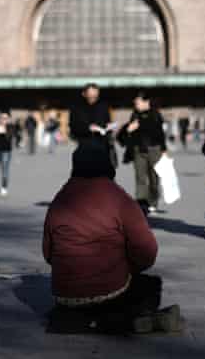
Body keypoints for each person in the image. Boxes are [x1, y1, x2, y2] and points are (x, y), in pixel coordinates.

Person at [43, 143, 182, 334]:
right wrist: (127, 269)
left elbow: (48, 253)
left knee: (84, 302)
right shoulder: (119, 198)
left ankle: (78, 319)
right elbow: (147, 251)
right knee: (151, 286)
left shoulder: (60, 199)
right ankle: (122, 321)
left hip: (65, 296)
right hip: (110, 291)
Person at [117, 91, 167, 215]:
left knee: (154, 178)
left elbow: (160, 133)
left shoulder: (155, 114)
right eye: (135, 103)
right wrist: (128, 129)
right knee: (140, 178)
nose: (136, 104)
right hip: (138, 150)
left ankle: (153, 202)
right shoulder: (134, 114)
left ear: (146, 102)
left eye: (138, 102)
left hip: (154, 149)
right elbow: (128, 131)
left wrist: (164, 150)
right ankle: (141, 203)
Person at [69, 83, 117, 166]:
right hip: (84, 147)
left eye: (95, 96)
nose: (93, 98)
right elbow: (73, 127)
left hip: (102, 147)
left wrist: (110, 128)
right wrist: (88, 128)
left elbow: (106, 123)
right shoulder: (76, 108)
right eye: (90, 96)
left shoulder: (103, 106)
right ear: (84, 94)